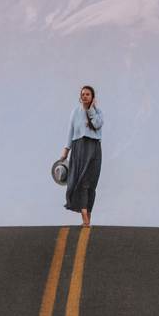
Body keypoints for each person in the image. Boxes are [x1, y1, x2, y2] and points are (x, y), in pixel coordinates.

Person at [60, 85, 103, 227]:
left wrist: (91, 110)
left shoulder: (98, 112)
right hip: (79, 148)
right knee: (83, 182)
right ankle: (84, 214)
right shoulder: (75, 112)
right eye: (83, 94)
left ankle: (88, 216)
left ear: (92, 97)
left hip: (94, 148)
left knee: (92, 184)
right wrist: (66, 150)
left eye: (88, 94)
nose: (85, 96)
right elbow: (70, 132)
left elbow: (97, 125)